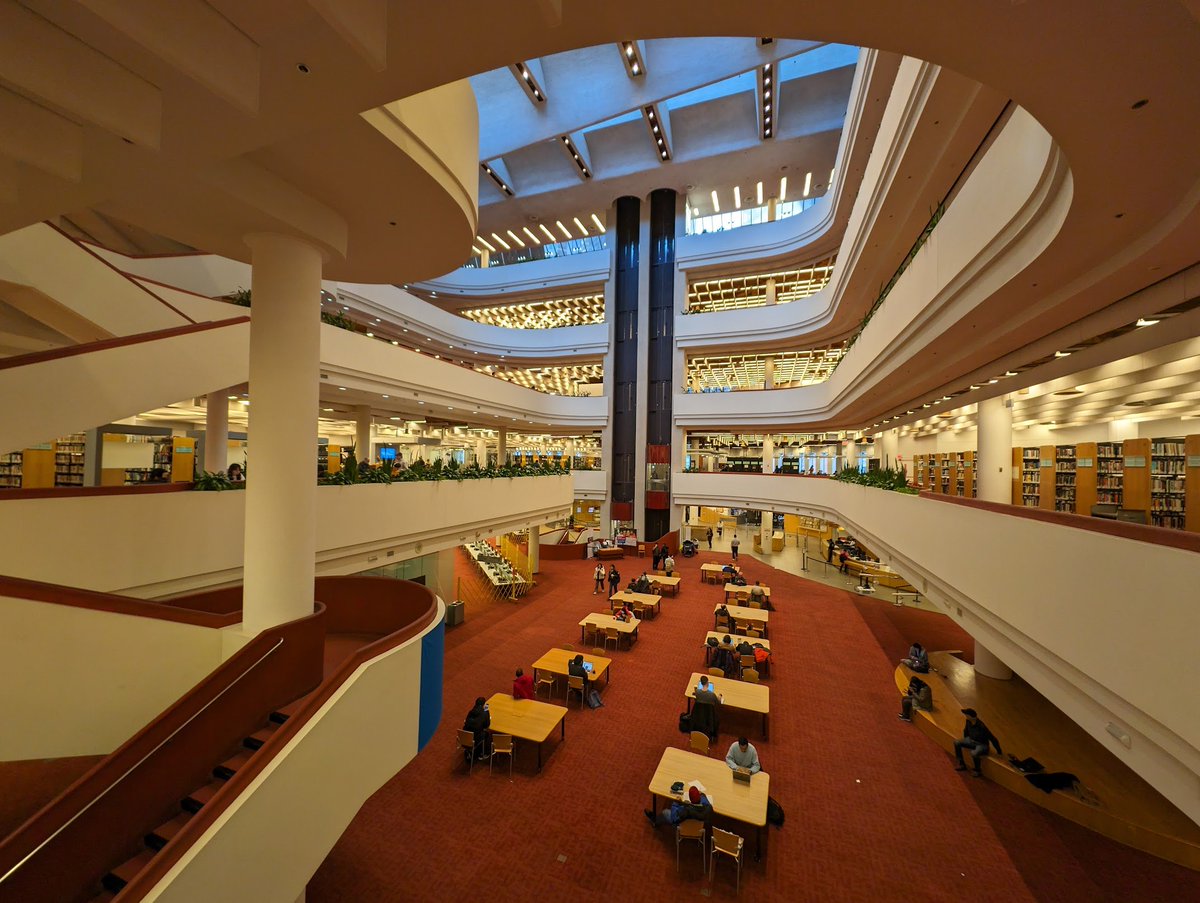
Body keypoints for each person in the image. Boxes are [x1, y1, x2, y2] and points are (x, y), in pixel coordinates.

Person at [954, 708, 1002, 777]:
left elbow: (992, 738)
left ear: (971, 716)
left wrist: (999, 751)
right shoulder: (968, 721)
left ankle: (977, 770)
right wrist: (965, 740)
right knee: (956, 742)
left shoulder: (982, 726)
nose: (965, 716)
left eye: (966, 715)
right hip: (971, 740)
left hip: (982, 744)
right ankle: (961, 764)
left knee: (974, 753)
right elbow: (966, 731)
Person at [645, 784, 712, 828]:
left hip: (684, 827)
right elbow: (704, 800)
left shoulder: (686, 810)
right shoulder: (708, 808)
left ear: (691, 800)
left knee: (665, 812)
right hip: (699, 829)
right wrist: (701, 794)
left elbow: (674, 818)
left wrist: (675, 803)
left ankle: (655, 821)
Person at [692, 675, 723, 740]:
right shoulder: (712, 694)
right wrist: (719, 696)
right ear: (707, 683)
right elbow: (718, 702)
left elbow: (696, 697)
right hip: (710, 714)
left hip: (700, 713)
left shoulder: (697, 692)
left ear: (701, 683)